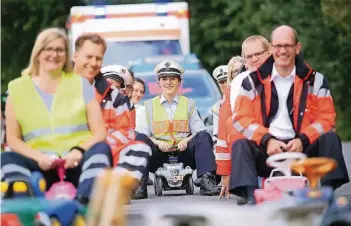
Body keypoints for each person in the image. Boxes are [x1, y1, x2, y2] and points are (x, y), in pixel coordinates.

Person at [230, 25, 349, 204]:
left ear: (297, 48)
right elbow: (241, 118)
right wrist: (267, 140)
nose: (282, 51)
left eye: (288, 46)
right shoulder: (251, 82)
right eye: (278, 46)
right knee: (241, 145)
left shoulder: (316, 80)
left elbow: (327, 118)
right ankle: (250, 195)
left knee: (330, 138)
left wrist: (303, 139)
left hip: (304, 147)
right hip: (267, 148)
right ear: (271, 48)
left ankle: (325, 192)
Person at [1, 28, 112, 204]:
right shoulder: (17, 88)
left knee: (101, 150)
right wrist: (40, 158)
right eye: (49, 49)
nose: (54, 54)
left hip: (75, 162)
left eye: (60, 50)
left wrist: (79, 151)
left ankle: (85, 202)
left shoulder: (80, 84)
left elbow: (99, 133)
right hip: (40, 164)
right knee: (6, 158)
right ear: (38, 53)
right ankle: (24, 206)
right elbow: (13, 140)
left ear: (66, 55)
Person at [72, 33, 151, 193]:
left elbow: (125, 133)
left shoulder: (115, 96)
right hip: (65, 153)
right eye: (88, 57)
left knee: (140, 149)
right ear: (75, 56)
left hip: (103, 154)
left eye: (98, 58)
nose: (93, 63)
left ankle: (106, 196)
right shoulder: (58, 88)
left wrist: (99, 147)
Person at [135, 60, 219, 197]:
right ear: (159, 83)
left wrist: (186, 140)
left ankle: (207, 181)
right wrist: (158, 142)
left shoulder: (189, 104)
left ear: (179, 82)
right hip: (159, 156)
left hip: (183, 154)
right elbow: (143, 135)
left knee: (204, 137)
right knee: (138, 138)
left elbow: (199, 131)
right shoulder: (148, 106)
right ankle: (139, 184)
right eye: (164, 79)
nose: (168, 82)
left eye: (173, 79)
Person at [217, 36, 271, 200]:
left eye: (259, 54)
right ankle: (248, 192)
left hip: (283, 141)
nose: (254, 59)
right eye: (249, 56)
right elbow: (223, 132)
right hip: (252, 144)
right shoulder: (237, 85)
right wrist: (225, 173)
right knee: (233, 125)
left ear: (269, 52)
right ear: (245, 60)